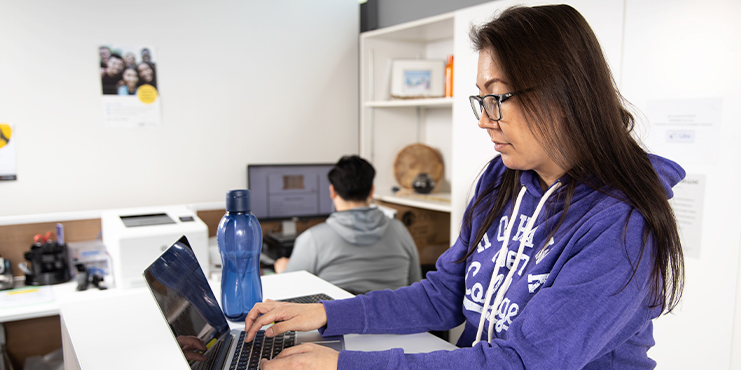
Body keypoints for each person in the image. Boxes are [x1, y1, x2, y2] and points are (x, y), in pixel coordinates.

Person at [244, 5, 686, 370]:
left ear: (562, 94)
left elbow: (522, 363)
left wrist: (345, 365)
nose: (483, 119)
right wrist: (325, 314)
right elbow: (445, 295)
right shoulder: (503, 179)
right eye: (481, 98)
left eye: (496, 98)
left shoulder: (623, 225)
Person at [274, 155, 422, 295]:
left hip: (342, 320)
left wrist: (282, 271)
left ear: (332, 191)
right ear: (372, 191)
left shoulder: (313, 239)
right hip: (392, 320)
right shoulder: (400, 230)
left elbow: (288, 291)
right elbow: (417, 286)